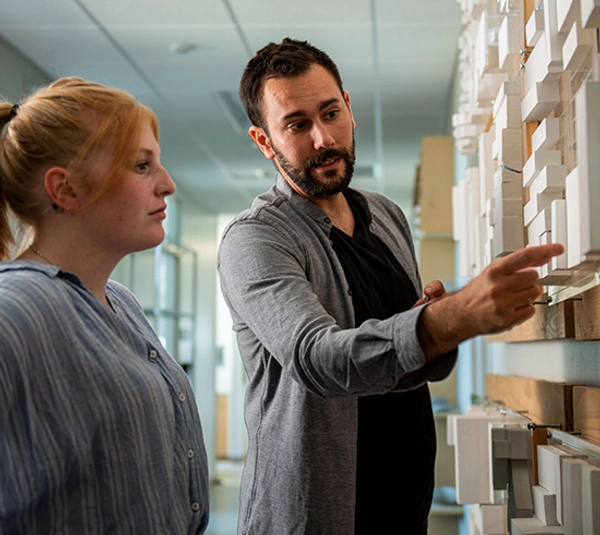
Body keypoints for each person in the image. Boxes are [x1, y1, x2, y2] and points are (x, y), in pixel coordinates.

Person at [217, 38, 563, 534]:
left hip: (404, 505)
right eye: (297, 125)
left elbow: (406, 357)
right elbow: (318, 358)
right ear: (264, 141)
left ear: (349, 107)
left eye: (330, 112)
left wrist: (434, 320)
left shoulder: (385, 215)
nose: (323, 139)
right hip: (319, 515)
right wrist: (447, 319)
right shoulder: (255, 239)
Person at [0, 77, 209, 534]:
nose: (167, 184)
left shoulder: (121, 302)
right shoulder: (14, 312)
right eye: (141, 165)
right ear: (66, 190)